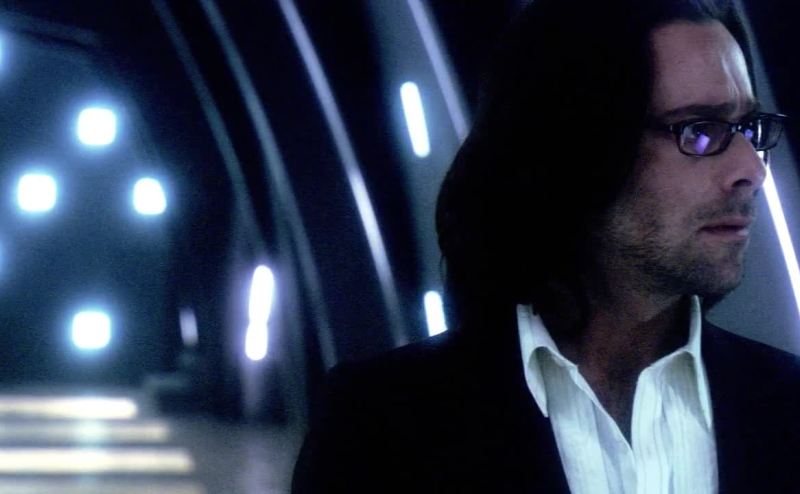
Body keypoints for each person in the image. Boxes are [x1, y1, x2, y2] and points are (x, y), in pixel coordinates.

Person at [292, 0, 799, 492]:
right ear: (577, 149)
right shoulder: (381, 425)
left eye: (749, 129)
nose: (751, 170)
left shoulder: (786, 406)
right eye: (701, 131)